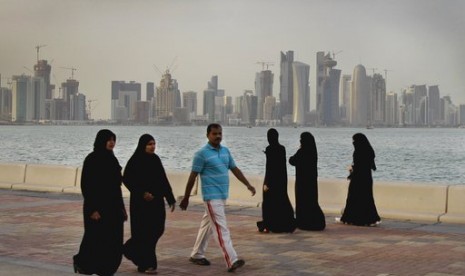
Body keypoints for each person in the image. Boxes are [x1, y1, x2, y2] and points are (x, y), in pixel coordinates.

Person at [179, 123, 256, 273]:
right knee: (221, 229)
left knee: (207, 225)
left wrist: (248, 184)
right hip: (211, 197)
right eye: (214, 134)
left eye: (220, 133)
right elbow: (192, 177)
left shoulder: (225, 151)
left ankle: (196, 254)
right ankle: (231, 259)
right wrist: (186, 197)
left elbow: (235, 169)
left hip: (221, 196)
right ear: (207, 135)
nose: (218, 136)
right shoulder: (201, 154)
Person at [73, 129, 127, 275]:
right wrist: (93, 210)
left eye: (113, 140)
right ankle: (84, 263)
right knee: (96, 240)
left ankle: (108, 270)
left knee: (114, 241)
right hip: (97, 208)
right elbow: (87, 186)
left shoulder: (112, 159)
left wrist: (122, 208)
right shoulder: (92, 159)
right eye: (108, 140)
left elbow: (117, 187)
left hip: (113, 208)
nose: (111, 143)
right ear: (101, 141)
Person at [122, 134, 176, 274]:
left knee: (157, 229)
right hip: (141, 204)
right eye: (149, 144)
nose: (152, 146)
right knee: (144, 233)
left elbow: (163, 179)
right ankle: (146, 264)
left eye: (154, 144)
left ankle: (128, 249)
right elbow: (127, 179)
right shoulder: (135, 161)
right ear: (142, 145)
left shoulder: (155, 159)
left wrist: (170, 198)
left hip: (156, 202)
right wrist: (142, 193)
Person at [257, 128, 296, 233]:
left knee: (269, 202)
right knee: (281, 201)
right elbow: (281, 167)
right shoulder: (282, 148)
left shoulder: (269, 149)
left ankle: (270, 223)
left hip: (271, 181)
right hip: (281, 181)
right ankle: (286, 223)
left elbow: (270, 167)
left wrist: (267, 183)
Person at [338, 133, 381, 226]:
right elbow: (368, 165)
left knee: (353, 198)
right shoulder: (369, 150)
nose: (353, 143)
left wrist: (351, 169)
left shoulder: (358, 151)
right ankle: (369, 219)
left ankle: (351, 218)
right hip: (367, 179)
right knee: (367, 199)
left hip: (358, 179)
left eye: (354, 141)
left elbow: (358, 166)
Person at [289, 132, 326, 231]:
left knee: (302, 202)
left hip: (301, 182)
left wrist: (298, 150)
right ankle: (314, 221)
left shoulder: (302, 151)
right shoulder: (313, 151)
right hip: (311, 182)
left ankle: (303, 222)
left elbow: (292, 161)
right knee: (311, 201)